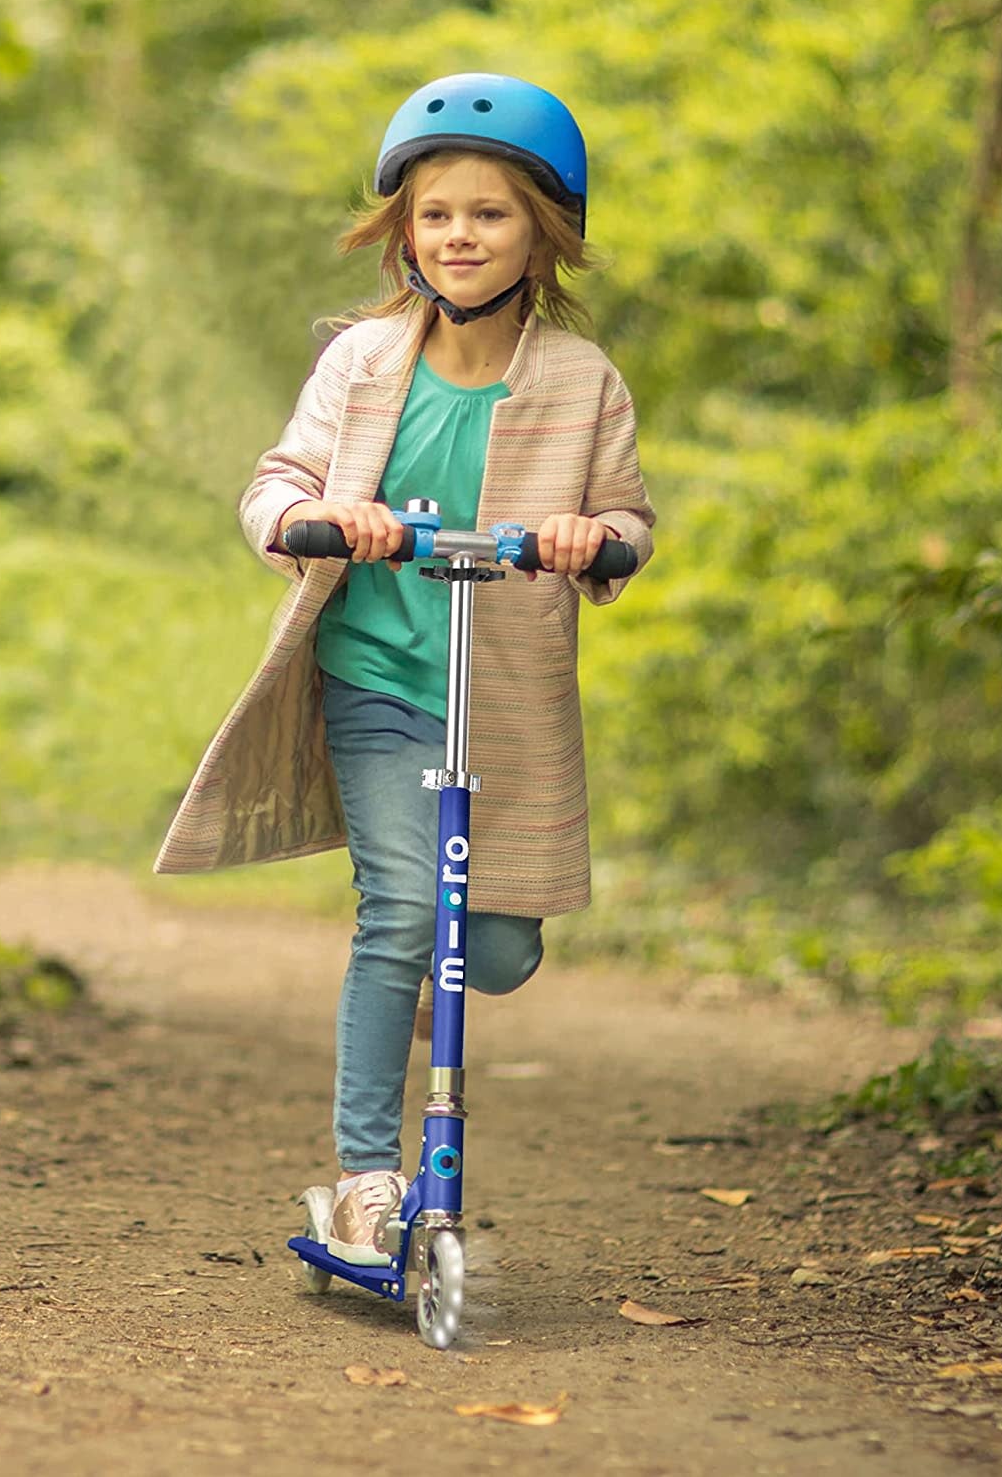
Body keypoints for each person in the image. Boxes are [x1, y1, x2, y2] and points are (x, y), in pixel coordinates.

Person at [155, 73, 654, 1265]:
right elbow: (277, 482)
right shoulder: (365, 363)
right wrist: (316, 520)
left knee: (495, 951)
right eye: (436, 214)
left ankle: (418, 993)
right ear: (403, 231)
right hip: (378, 676)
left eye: (489, 213)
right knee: (403, 915)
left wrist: (592, 538)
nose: (459, 235)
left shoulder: (581, 381)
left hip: (508, 698)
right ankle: (367, 1180)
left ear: (543, 233)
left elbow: (628, 520)